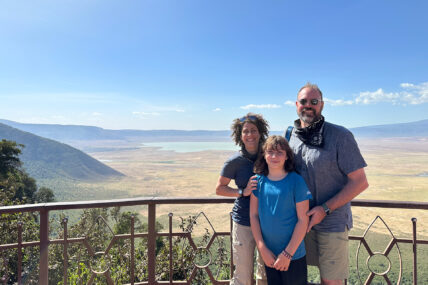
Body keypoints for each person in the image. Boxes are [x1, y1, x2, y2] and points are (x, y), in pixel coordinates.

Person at [287, 82, 369, 285]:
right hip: (300, 223)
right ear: (296, 105)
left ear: (322, 105)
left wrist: (324, 209)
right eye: (304, 101)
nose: (308, 105)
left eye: (313, 102)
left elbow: (360, 182)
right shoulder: (291, 136)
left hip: (332, 222)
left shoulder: (340, 136)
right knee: (295, 278)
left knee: (331, 281)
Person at [250, 135, 311, 285]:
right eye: (270, 152)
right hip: (269, 256)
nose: (274, 156)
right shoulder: (257, 181)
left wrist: (287, 254)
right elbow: (253, 215)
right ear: (264, 155)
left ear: (287, 157)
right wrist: (262, 248)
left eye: (280, 152)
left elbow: (303, 220)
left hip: (293, 256)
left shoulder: (296, 181)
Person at [216, 113, 268, 285]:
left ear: (260, 133)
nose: (250, 135)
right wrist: (242, 192)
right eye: (245, 131)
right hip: (244, 222)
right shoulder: (234, 161)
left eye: (253, 130)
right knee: (243, 276)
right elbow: (220, 189)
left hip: (268, 222)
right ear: (240, 135)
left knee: (265, 274)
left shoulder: (270, 156)